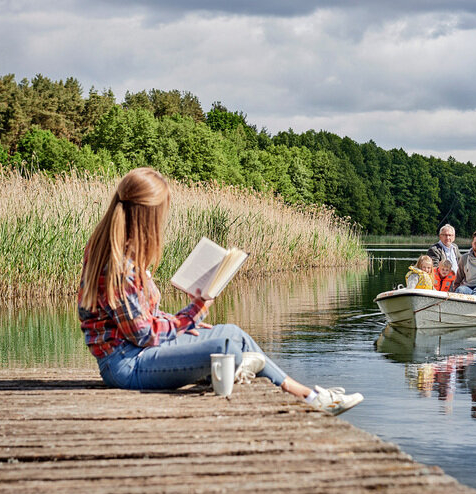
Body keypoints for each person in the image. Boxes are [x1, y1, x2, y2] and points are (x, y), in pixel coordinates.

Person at [77, 167, 363, 415]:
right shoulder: (119, 264)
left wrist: (188, 324)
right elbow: (143, 335)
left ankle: (308, 397)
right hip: (127, 365)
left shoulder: (118, 250)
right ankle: (235, 366)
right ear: (147, 215)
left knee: (234, 333)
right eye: (161, 214)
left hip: (140, 352)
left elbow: (141, 319)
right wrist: (193, 313)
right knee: (225, 347)